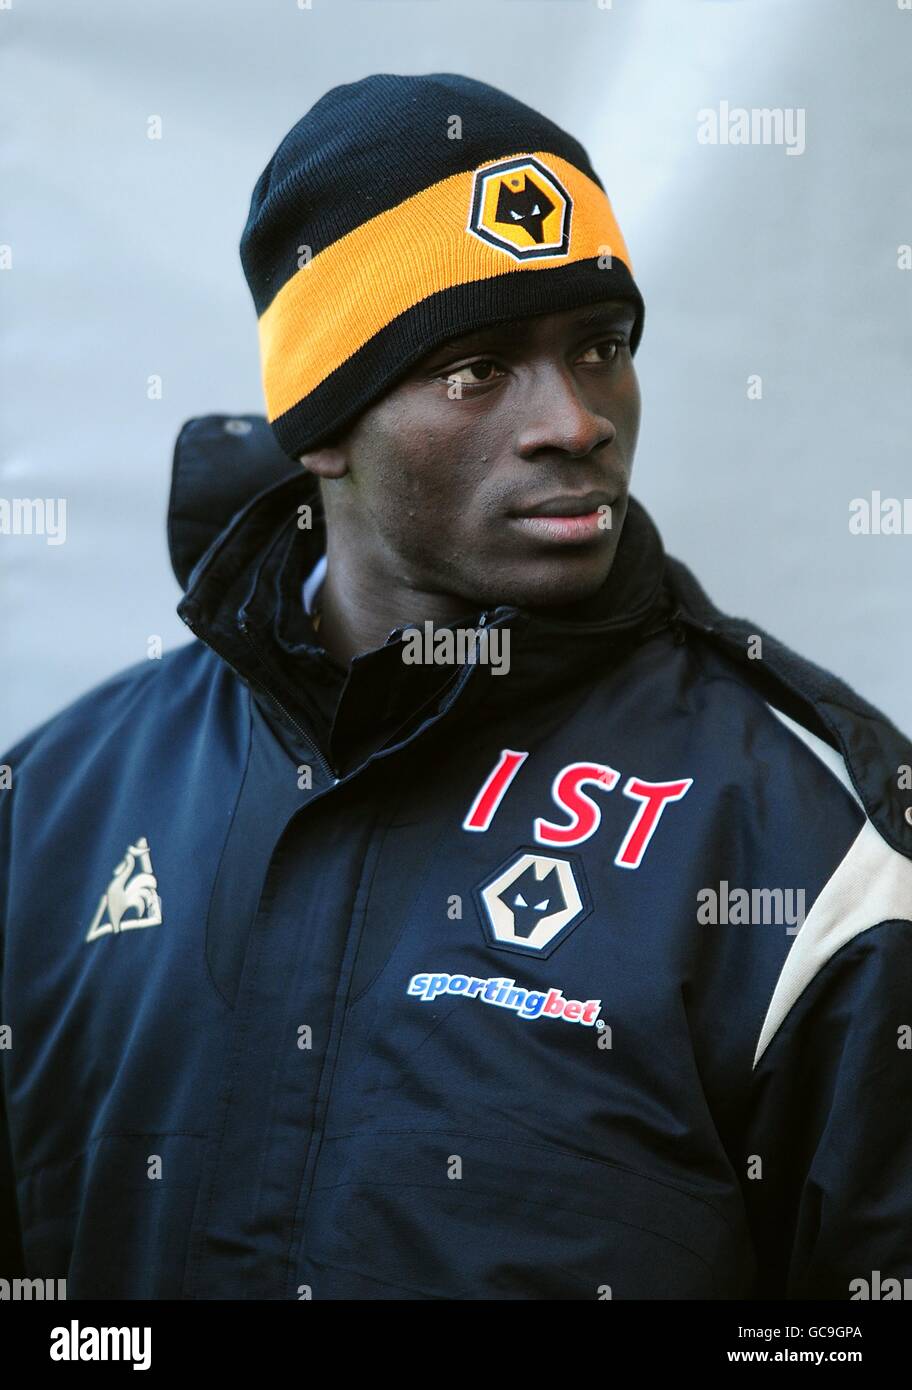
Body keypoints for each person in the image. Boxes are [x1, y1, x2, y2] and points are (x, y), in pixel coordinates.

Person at [1, 72, 911, 1302]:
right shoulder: (53, 805)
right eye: (481, 370)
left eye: (600, 347)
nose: (577, 420)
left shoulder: (809, 854)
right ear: (323, 425)